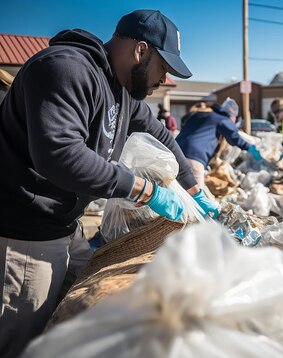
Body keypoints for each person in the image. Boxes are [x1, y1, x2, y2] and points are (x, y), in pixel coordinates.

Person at [0, 10, 220, 356]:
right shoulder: (64, 69)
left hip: (65, 225)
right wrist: (147, 191)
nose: (164, 79)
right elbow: (60, 154)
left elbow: (160, 134)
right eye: (164, 68)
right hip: (25, 232)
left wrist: (195, 190)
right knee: (22, 336)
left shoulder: (122, 92)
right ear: (141, 51)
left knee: (83, 303)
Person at [175, 98, 263, 188]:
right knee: (195, 195)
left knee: (174, 189)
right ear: (232, 116)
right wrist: (250, 148)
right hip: (193, 157)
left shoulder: (200, 114)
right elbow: (234, 137)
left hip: (174, 151)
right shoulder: (222, 120)